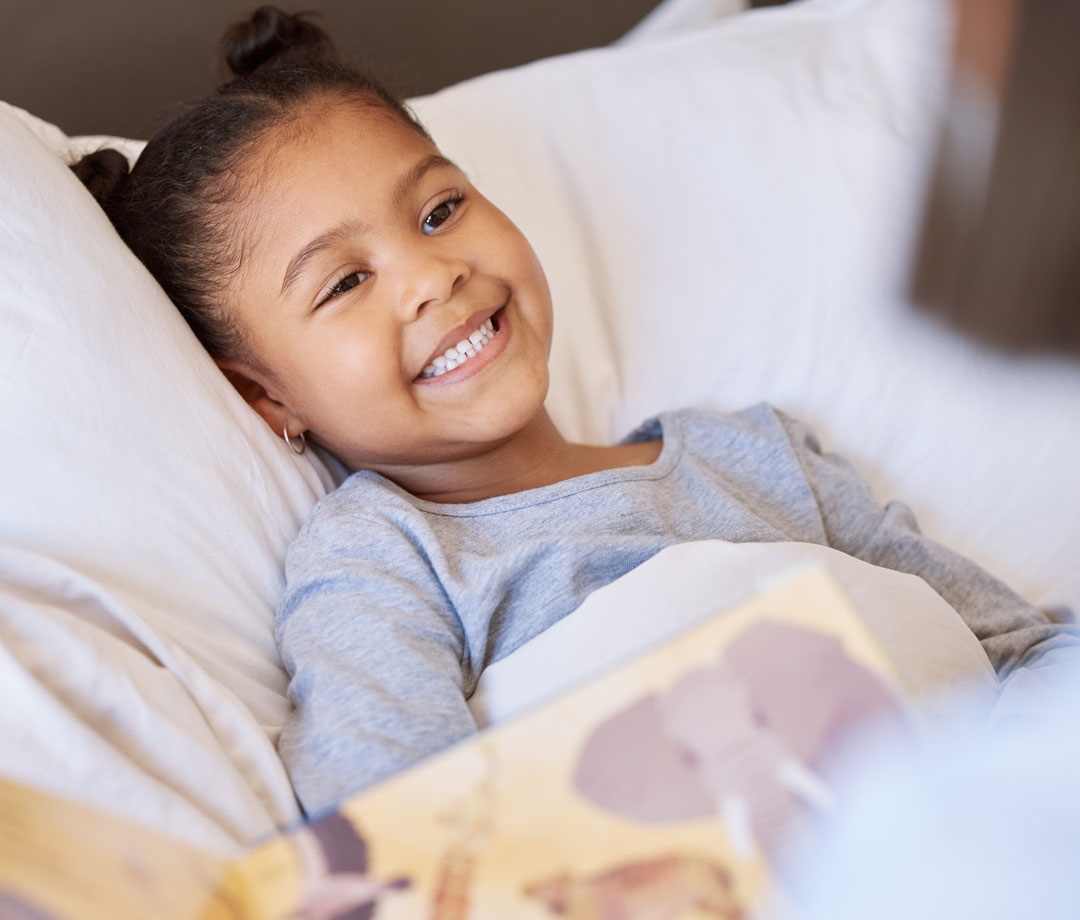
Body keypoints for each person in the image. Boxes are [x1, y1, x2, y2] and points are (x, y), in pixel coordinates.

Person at [72, 6, 1077, 816]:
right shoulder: (383, 557)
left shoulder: (758, 452)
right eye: (344, 283)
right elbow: (408, 827)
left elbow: (1022, 650)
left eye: (439, 210)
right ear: (267, 395)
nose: (432, 274)